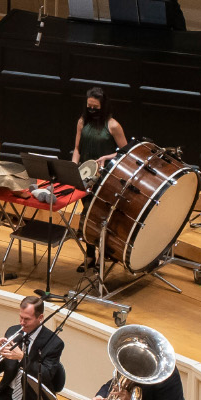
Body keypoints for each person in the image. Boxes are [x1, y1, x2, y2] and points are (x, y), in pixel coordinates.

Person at [73, 88, 128, 274]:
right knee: (87, 214)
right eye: (89, 106)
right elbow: (77, 148)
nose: (91, 110)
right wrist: (74, 167)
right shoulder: (82, 121)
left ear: (103, 106)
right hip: (86, 176)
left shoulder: (113, 125)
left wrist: (107, 156)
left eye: (95, 107)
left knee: (101, 217)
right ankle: (89, 256)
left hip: (105, 178)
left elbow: (125, 152)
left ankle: (102, 257)